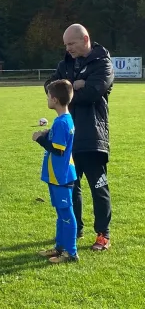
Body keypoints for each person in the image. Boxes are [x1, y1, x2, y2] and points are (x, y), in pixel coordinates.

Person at [45, 23, 114, 251]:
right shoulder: (64, 63)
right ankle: (75, 230)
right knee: (71, 187)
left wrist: (67, 91)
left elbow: (94, 92)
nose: (68, 48)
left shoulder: (102, 62)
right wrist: (75, 86)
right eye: (65, 44)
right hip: (69, 137)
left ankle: (103, 234)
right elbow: (49, 86)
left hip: (93, 136)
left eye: (71, 43)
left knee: (98, 188)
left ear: (85, 39)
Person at [35, 80, 78, 263]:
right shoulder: (61, 120)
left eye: (48, 96)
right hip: (57, 174)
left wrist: (39, 139)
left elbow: (59, 149)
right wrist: (47, 134)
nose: (47, 99)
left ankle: (71, 252)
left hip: (61, 175)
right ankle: (60, 247)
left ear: (54, 99)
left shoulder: (62, 122)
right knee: (61, 213)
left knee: (66, 213)